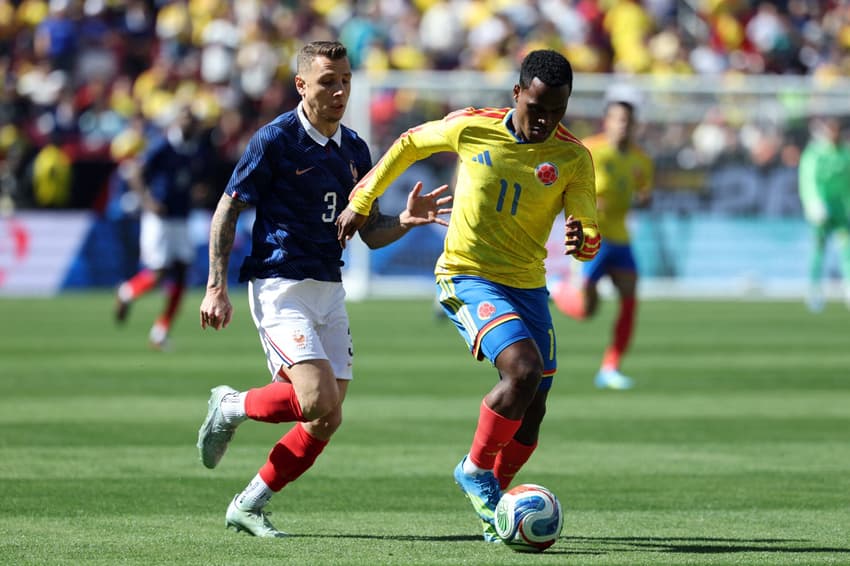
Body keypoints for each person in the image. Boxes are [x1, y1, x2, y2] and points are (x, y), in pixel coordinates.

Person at [336, 49, 600, 542]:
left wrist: (584, 238)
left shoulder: (573, 157)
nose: (545, 121)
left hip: (528, 285)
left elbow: (585, 226)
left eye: (557, 111)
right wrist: (363, 198)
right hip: (468, 274)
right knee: (522, 370)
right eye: (536, 108)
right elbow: (411, 143)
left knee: (534, 406)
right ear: (517, 94)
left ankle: (495, 505)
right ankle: (475, 469)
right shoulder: (472, 127)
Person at [196, 40, 451, 539]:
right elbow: (228, 209)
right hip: (280, 283)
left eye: (345, 81)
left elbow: (371, 232)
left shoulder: (355, 149)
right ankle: (229, 405)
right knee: (314, 399)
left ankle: (249, 504)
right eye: (327, 82)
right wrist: (214, 287)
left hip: (329, 287)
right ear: (301, 85)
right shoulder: (274, 140)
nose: (339, 92)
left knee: (327, 417)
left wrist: (403, 220)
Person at [551, 96, 653, 390]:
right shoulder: (588, 150)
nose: (625, 126)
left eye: (629, 121)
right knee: (587, 310)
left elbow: (643, 193)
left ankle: (611, 367)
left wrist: (645, 199)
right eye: (619, 119)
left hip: (620, 237)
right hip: (592, 235)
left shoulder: (641, 160)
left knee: (630, 299)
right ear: (607, 122)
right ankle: (557, 285)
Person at [114, 105, 211, 350]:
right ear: (178, 122)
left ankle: (161, 331)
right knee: (159, 273)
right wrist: (147, 201)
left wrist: (198, 191)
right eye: (185, 119)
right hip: (159, 218)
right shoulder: (163, 146)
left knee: (181, 273)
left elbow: (195, 179)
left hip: (182, 217)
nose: (188, 124)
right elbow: (135, 172)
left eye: (192, 120)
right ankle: (127, 291)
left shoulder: (197, 150)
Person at [797, 116, 850, 312]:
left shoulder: (846, 153)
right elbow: (807, 180)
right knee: (819, 250)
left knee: (847, 249)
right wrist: (812, 203)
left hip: (843, 210)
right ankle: (814, 289)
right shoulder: (815, 154)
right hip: (822, 210)